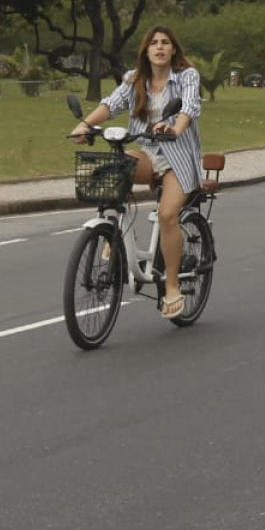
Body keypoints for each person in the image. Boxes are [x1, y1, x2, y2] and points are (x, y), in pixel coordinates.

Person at [69, 25, 204, 319]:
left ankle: (171, 287)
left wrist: (173, 129)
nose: (159, 47)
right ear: (145, 50)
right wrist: (85, 125)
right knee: (117, 168)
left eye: (165, 43)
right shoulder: (134, 80)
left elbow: (189, 109)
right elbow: (111, 104)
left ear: (173, 50)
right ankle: (114, 235)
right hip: (146, 152)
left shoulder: (186, 77)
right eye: (153, 43)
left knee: (168, 216)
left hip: (177, 158)